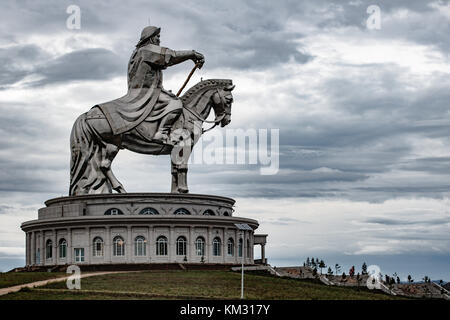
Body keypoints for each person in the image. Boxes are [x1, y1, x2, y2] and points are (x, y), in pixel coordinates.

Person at [97, 26, 205, 143]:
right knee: (175, 104)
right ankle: (161, 133)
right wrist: (192, 54)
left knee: (170, 99)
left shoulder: (137, 53)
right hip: (146, 93)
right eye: (157, 37)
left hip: (145, 91)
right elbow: (171, 56)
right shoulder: (147, 50)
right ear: (150, 38)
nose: (159, 39)